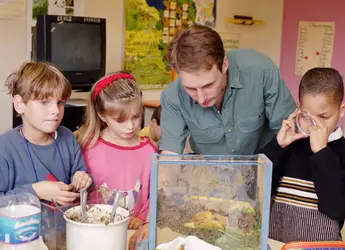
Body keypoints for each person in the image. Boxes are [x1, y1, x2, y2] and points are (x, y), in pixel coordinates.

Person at [259, 68, 345, 242]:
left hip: (320, 246)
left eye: (324, 116)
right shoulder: (290, 146)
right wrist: (277, 146)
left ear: (342, 109)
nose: (315, 124)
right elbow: (255, 188)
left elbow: (337, 208)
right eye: (308, 116)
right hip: (275, 243)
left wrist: (322, 152)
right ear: (299, 109)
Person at [159, 25, 296, 155]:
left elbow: (291, 134)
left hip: (268, 168)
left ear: (224, 65)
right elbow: (170, 158)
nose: (201, 98)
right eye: (191, 88)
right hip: (211, 175)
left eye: (208, 85)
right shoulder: (172, 97)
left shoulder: (260, 71)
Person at [75, 72, 157, 247]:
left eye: (136, 116)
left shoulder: (149, 150)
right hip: (93, 234)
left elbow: (156, 194)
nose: (131, 126)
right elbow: (77, 194)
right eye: (120, 120)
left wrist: (144, 220)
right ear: (102, 115)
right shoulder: (87, 147)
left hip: (133, 233)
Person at [0, 61, 93, 205]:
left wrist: (84, 181)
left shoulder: (67, 137)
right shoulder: (4, 147)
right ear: (20, 105)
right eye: (44, 102)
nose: (55, 110)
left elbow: (85, 183)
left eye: (60, 102)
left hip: (63, 226)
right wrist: (36, 192)